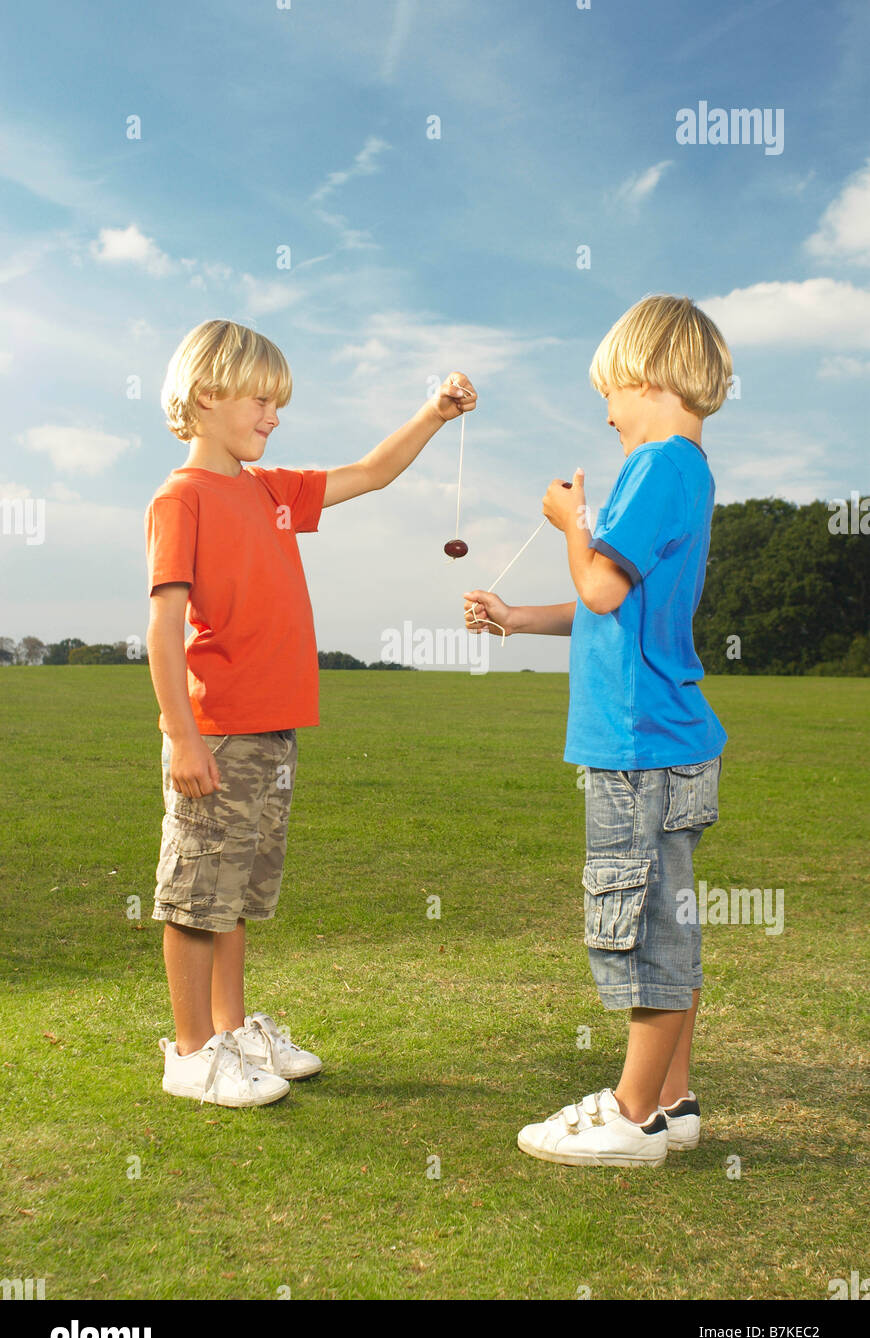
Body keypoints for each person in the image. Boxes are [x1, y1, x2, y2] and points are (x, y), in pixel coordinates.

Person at [146, 318, 476, 1106]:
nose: (273, 415)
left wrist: (434, 413)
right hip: (217, 732)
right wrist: (181, 735)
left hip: (273, 731)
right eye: (261, 400)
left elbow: (369, 472)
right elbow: (161, 626)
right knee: (197, 893)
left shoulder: (271, 492)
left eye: (277, 403)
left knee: (236, 893)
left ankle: (231, 1032)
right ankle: (192, 1054)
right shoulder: (180, 497)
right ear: (205, 394)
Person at [463, 293, 731, 1166]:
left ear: (647, 377)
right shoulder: (685, 471)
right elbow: (609, 611)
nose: (607, 415)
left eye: (607, 395)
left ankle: (628, 1113)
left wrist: (570, 521)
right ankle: (672, 1102)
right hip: (669, 738)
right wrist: (514, 620)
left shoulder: (658, 467)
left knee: (645, 923)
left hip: (638, 745)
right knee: (672, 918)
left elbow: (602, 587)